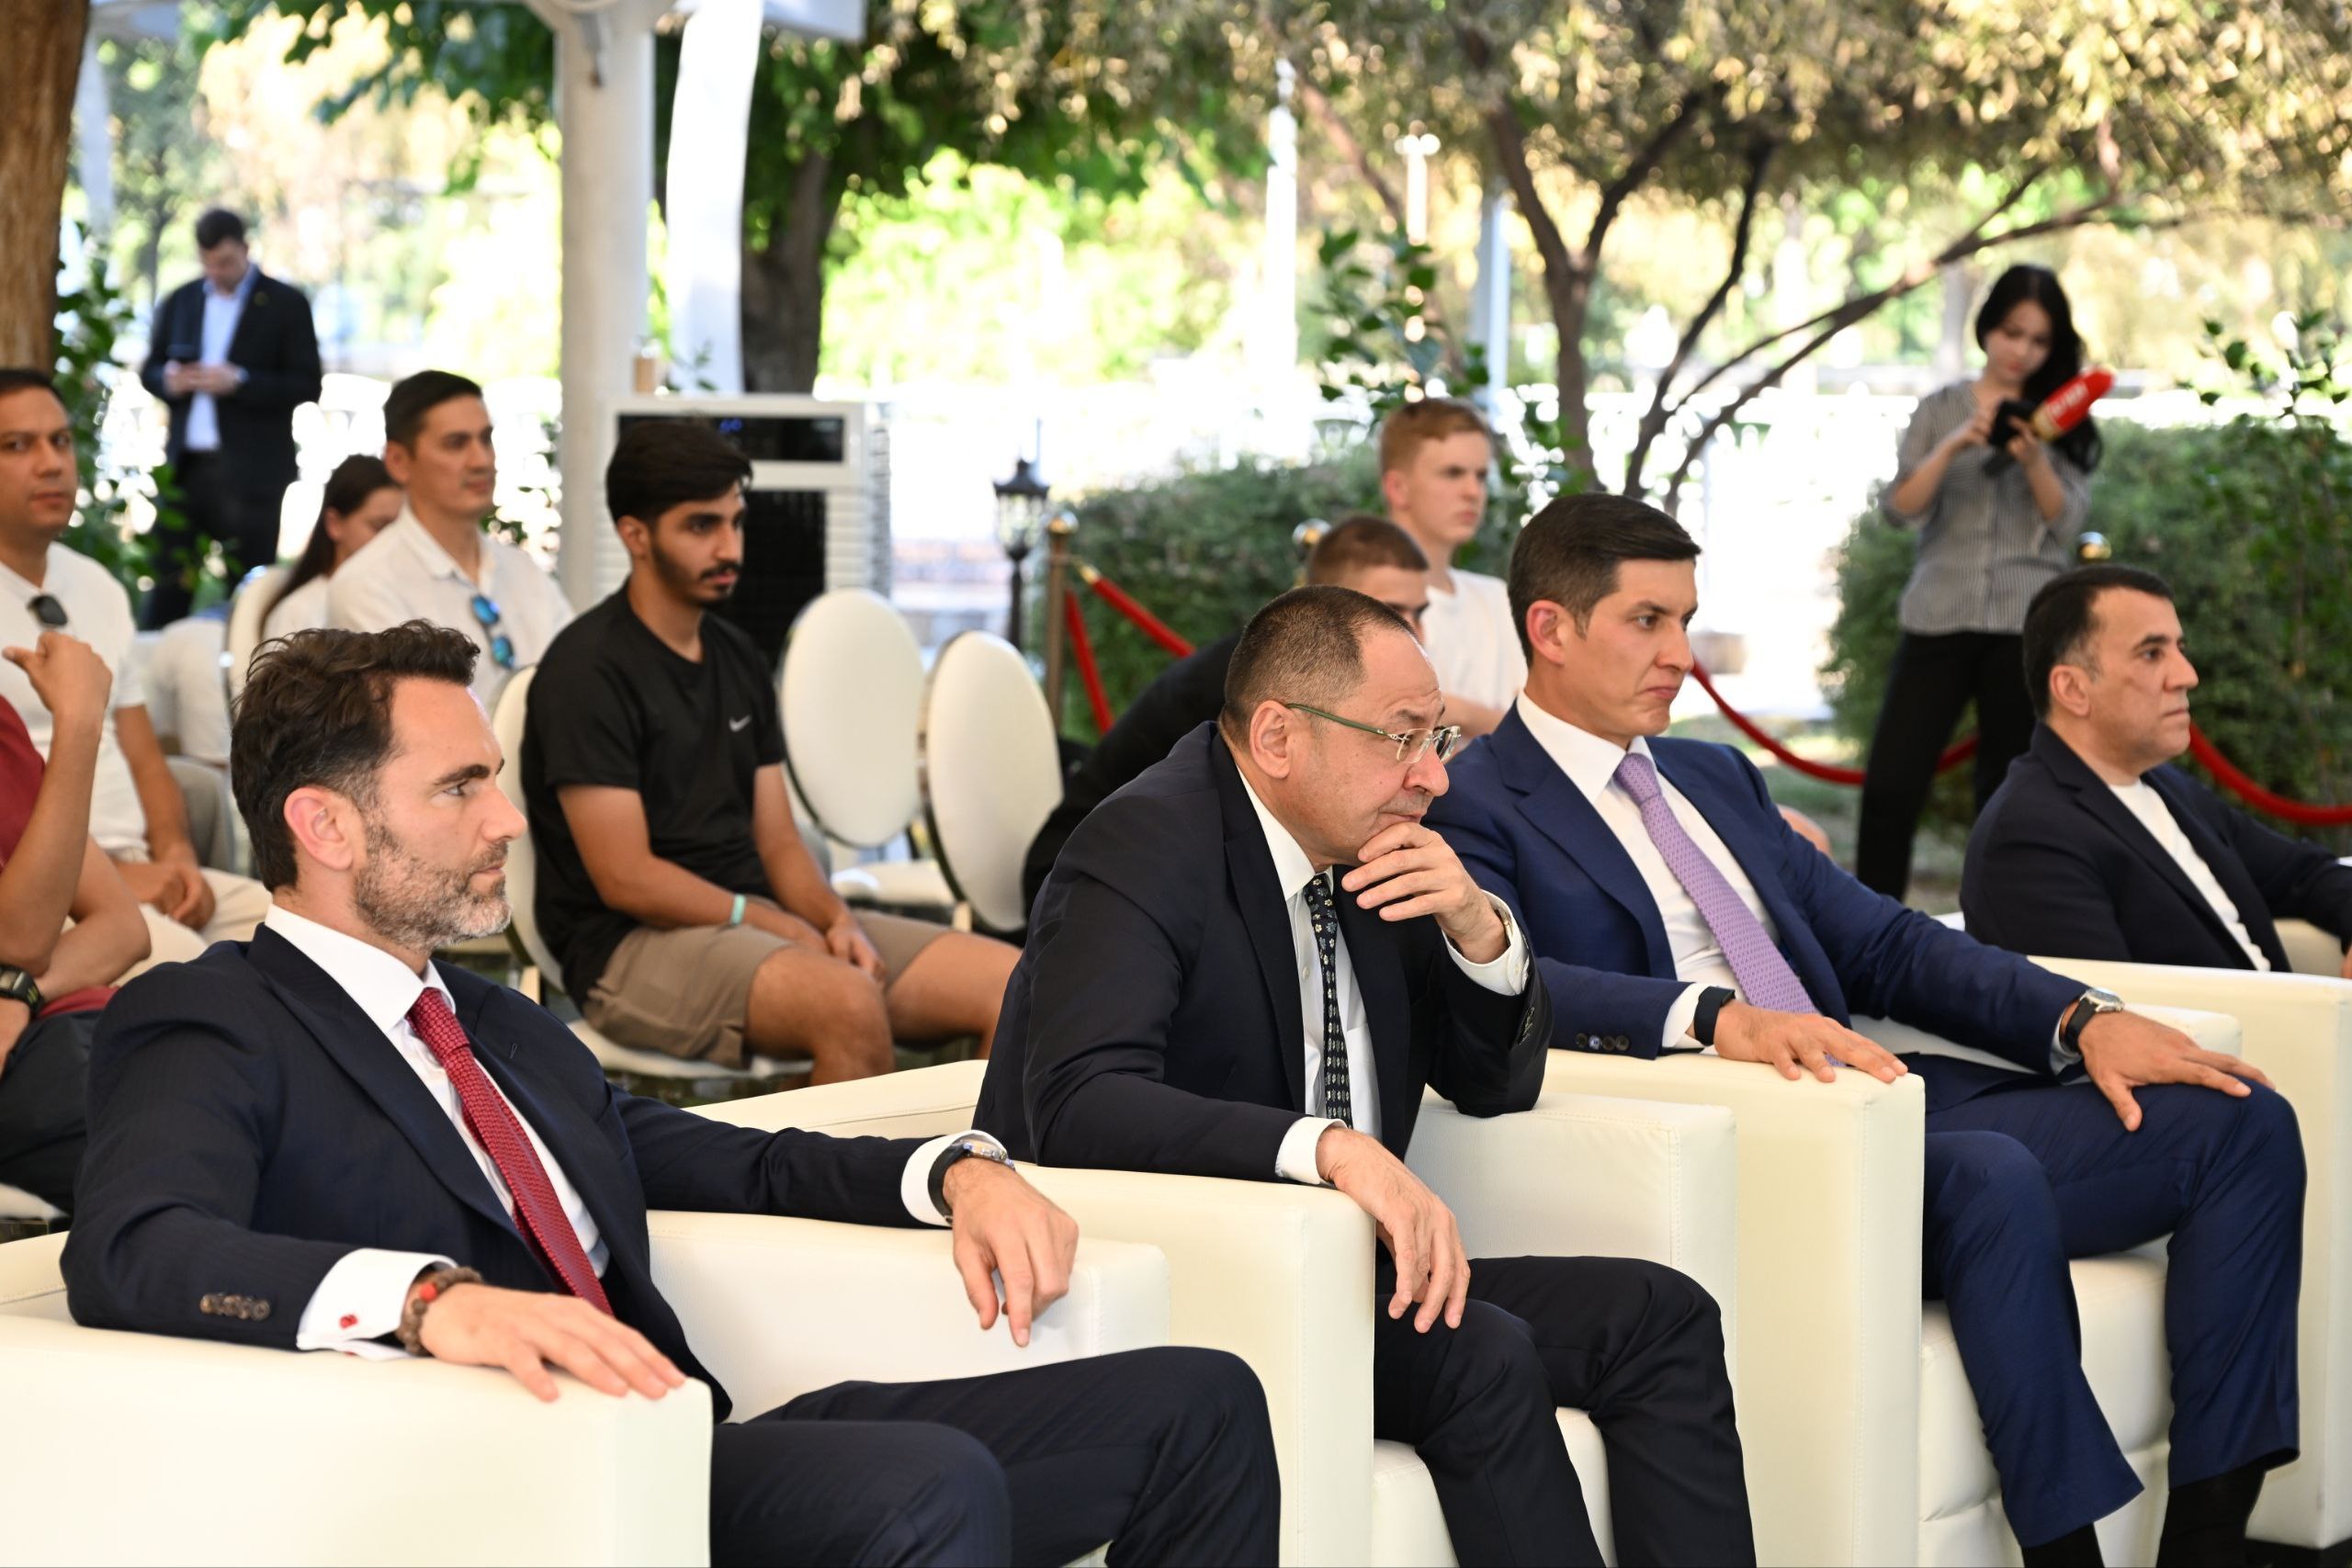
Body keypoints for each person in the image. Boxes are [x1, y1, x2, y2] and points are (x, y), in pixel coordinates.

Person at [62, 621, 1280, 1567]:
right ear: (323, 825)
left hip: (687, 1445)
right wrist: (430, 1301)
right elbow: (135, 1246)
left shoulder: (496, 1025)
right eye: (459, 788)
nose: (506, 819)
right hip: (526, 1481)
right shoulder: (215, 1017)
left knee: (1201, 1398)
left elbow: (732, 1159)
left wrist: (956, 1168)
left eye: (495, 779)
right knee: (929, 1486)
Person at [1427, 492, 2303, 1567]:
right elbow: (1515, 978)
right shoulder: (1475, 801)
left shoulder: (1711, 775)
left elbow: (1885, 942)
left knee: (2238, 1123)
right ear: (1550, 629)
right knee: (1987, 1174)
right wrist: (1713, 1018)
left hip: (1877, 1093)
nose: (1680, 655)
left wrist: (2080, 1018)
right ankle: (2065, 1552)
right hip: (1737, 1130)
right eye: (1646, 621)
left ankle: (2208, 1539)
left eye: (1685, 620)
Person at [978, 585, 1756, 1567]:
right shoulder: (1144, 844)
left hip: (1352, 1273)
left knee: (1660, 1315)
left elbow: (1492, 1086)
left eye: (1438, 737)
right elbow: (1080, 1103)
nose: (1433, 775)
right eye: (1401, 738)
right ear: (1278, 736)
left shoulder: (1374, 848)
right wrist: (1328, 1149)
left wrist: (1479, 932)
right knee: (1480, 1352)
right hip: (1193, 1276)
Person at [526, 421, 1017, 1083]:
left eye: (736, 522)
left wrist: (834, 920)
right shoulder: (587, 670)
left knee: (1014, 986)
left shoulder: (736, 657)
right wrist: (764, 921)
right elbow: (627, 877)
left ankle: (968, 1155)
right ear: (635, 535)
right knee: (846, 1002)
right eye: (701, 526)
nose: (729, 547)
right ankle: (849, 1158)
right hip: (628, 946)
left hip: (756, 921)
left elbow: (779, 840)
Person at [1020, 513, 1435, 914]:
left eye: (1419, 613)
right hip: (1086, 886)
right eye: (1390, 613)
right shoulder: (1246, 687)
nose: (1414, 634)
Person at [0, 369, 271, 972]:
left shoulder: (96, 585)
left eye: (60, 441)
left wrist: (176, 856)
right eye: (17, 445)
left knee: (302, 934)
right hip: (47, 894)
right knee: (195, 970)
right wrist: (116, 879)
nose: (50, 463)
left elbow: (143, 754)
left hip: (141, 874)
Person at [1965, 564, 2352, 976]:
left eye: (2180, 649)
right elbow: (2109, 1011)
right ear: (2073, 689)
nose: (2188, 676)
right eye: (2151, 653)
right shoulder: (2028, 836)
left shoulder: (2166, 785)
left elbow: (2303, 874)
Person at [1856, 265, 2100, 898]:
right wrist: (1954, 445)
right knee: (1891, 784)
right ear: (1987, 327)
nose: (2022, 350)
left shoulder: (2063, 415)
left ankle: (2000, 934)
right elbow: (1901, 509)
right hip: (1938, 611)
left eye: (2039, 340)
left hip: (2025, 623)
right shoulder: (1941, 407)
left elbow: (2066, 522)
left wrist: (2034, 456)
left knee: (2007, 796)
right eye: (2012, 332)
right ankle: (1869, 930)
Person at [0, 631, 150, 1213]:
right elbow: (19, 940)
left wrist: (18, 989)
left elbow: (122, 928)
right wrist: (80, 722)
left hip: (67, 1025)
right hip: (40, 1065)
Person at [329, 370, 572, 711]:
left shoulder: (522, 569)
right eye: (456, 444)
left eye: (486, 439)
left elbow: (578, 680)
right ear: (398, 462)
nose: (481, 460)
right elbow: (417, 724)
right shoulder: (367, 584)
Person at [137, 208, 322, 626]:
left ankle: (245, 663)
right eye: (208, 263)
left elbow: (307, 384)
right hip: (187, 467)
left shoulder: (285, 303)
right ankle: (156, 660)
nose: (216, 273)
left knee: (248, 593)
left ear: (245, 249)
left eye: (225, 262)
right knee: (168, 585)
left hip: (253, 473)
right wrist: (170, 380)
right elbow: (150, 370)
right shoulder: (182, 299)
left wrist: (240, 381)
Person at [1379, 398, 1525, 738]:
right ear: (1398, 487)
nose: (1473, 491)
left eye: (1481, 476)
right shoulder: (1364, 600)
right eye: (1453, 473)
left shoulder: (1497, 597)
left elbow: (1539, 728)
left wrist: (1453, 711)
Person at [261, 454, 404, 641]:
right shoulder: (299, 612)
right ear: (334, 524)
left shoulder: (400, 594)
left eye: (398, 528)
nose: (391, 539)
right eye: (379, 526)